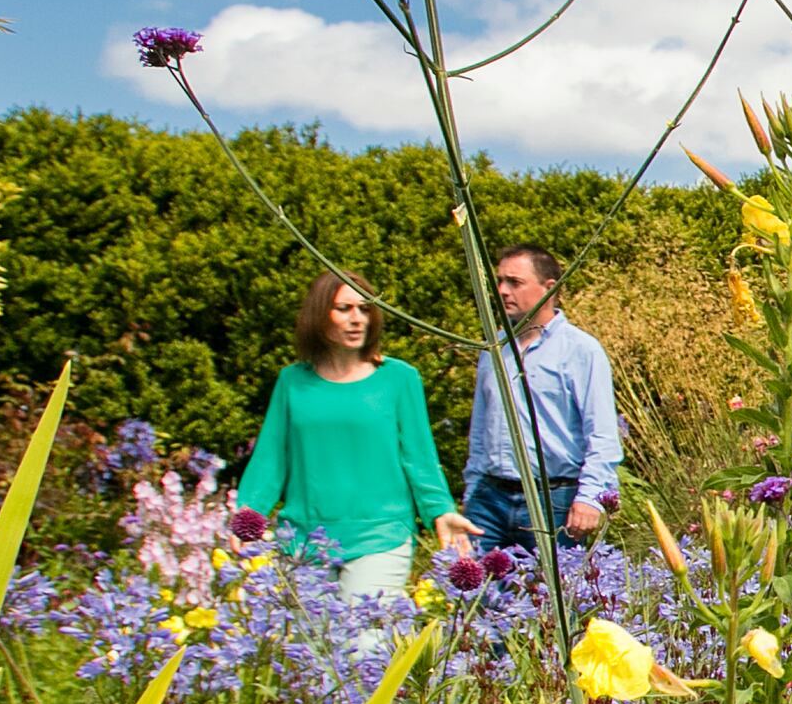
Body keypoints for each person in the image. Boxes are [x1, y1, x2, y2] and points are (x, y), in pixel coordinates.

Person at [232, 272, 451, 601]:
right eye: (344, 308)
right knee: (309, 651)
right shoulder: (293, 382)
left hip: (381, 537)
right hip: (303, 540)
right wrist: (250, 514)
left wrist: (441, 511)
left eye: (364, 309)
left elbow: (419, 458)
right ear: (320, 316)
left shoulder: (399, 379)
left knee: (365, 649)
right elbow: (272, 458)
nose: (357, 319)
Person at [442, 243, 619, 567]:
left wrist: (589, 497)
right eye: (499, 281)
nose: (501, 291)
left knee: (552, 606)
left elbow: (603, 434)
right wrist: (472, 493)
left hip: (554, 501)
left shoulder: (581, 351)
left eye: (514, 282)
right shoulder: (493, 350)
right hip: (489, 501)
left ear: (548, 288)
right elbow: (480, 430)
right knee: (471, 604)